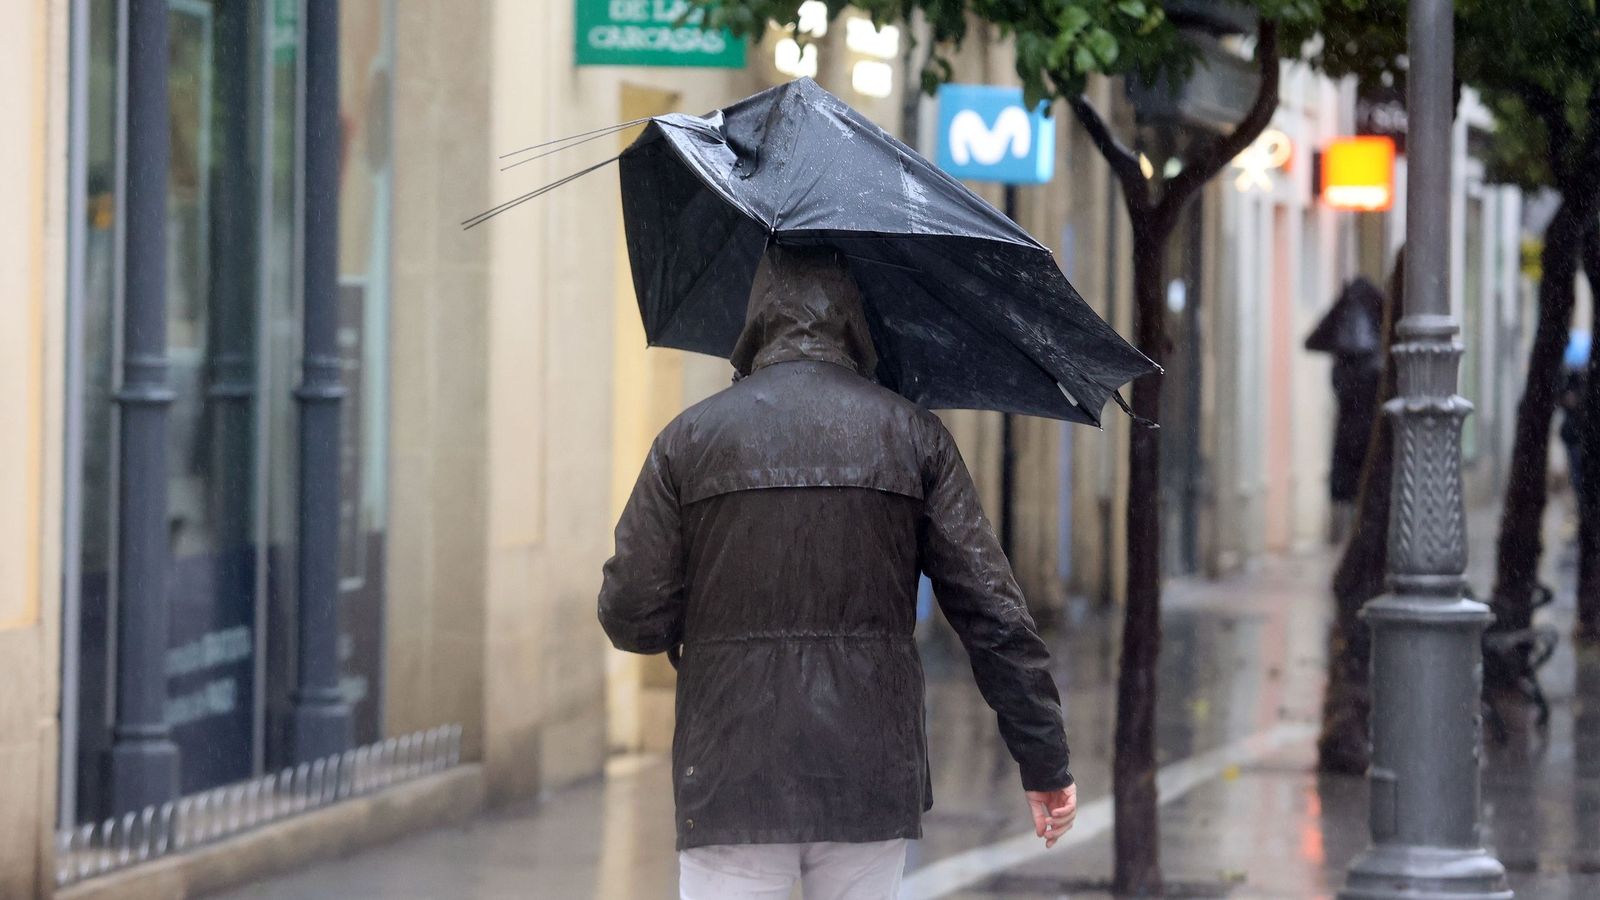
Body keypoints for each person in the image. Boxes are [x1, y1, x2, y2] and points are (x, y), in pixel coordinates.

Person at [599, 245, 1077, 899]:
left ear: (757, 319)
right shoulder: (914, 437)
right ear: (854, 319)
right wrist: (1043, 758)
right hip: (868, 772)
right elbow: (993, 611)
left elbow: (631, 613)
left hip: (731, 773)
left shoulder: (689, 440)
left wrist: (705, 618)